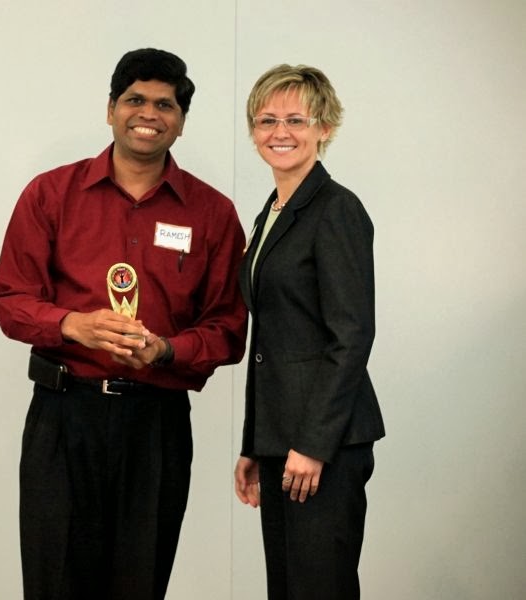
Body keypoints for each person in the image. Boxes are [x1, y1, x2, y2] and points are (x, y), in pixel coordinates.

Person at [0, 48, 247, 599]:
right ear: (110, 109)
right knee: (56, 582)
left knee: (139, 581)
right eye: (134, 99)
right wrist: (72, 325)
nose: (148, 113)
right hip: (64, 417)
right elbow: (10, 299)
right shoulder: (50, 194)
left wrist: (166, 351)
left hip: (155, 425)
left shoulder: (212, 213)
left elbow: (228, 329)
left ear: (181, 121)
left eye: (165, 104)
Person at [233, 65, 386, 599]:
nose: (280, 132)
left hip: (325, 444)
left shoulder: (337, 209)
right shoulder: (272, 213)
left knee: (320, 588)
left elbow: (352, 336)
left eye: (296, 119)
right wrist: (257, 442)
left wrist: (313, 445)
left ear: (325, 127)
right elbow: (272, 342)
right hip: (283, 440)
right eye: (267, 120)